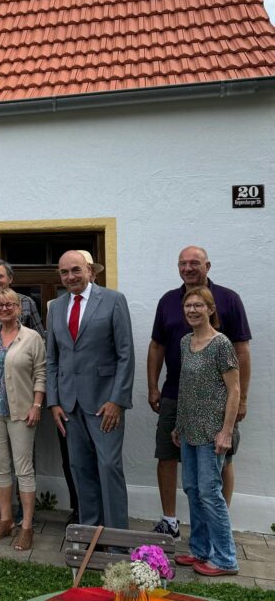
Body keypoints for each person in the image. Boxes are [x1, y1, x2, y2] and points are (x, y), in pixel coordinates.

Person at [147, 245, 251, 537]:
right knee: (167, 454)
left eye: (195, 263)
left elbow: (242, 351)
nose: (188, 268)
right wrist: (152, 386)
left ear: (208, 265)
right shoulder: (168, 301)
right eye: (182, 263)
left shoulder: (228, 300)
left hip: (215, 401)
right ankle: (170, 522)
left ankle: (219, 524)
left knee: (222, 459)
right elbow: (157, 346)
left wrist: (241, 398)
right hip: (174, 395)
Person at [46, 250, 134, 529]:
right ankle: (89, 531)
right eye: (64, 272)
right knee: (80, 470)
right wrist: (54, 402)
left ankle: (117, 539)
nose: (70, 276)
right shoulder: (55, 307)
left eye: (76, 270)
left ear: (90, 272)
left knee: (109, 468)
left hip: (104, 403)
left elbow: (125, 354)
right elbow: (52, 358)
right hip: (69, 405)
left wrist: (117, 400)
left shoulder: (113, 300)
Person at [0, 259, 48, 525]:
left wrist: (37, 404)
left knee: (24, 464)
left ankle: (25, 520)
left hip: (22, 403)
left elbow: (41, 362)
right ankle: (2, 514)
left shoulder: (28, 313)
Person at [172, 286, 239, 577]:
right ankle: (200, 549)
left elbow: (234, 390)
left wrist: (226, 432)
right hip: (188, 429)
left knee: (210, 493)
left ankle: (225, 559)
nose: (193, 310)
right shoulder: (186, 342)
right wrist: (178, 424)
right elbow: (185, 387)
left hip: (212, 432)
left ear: (211, 309)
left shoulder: (221, 343)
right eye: (189, 306)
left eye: (199, 305)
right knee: (191, 489)